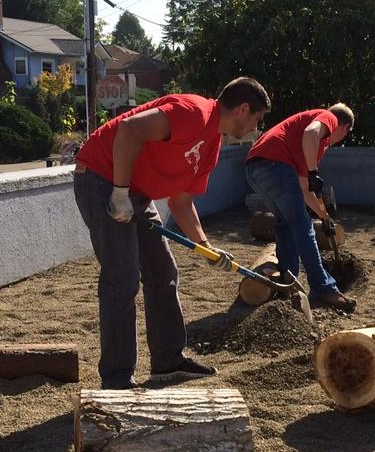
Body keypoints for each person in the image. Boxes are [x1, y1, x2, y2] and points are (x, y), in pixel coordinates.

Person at [74, 77, 271, 388]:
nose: (255, 129)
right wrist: (120, 194)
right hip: (101, 177)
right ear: (243, 109)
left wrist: (206, 247)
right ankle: (116, 378)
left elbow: (181, 202)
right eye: (257, 120)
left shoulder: (211, 147)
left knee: (163, 272)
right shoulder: (193, 112)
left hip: (135, 191)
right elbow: (129, 130)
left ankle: (168, 360)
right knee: (122, 278)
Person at [245, 103, 357, 312]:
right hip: (275, 166)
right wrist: (314, 172)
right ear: (344, 128)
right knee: (303, 226)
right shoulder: (328, 118)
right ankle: (323, 288)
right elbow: (310, 133)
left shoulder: (311, 148)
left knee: (286, 224)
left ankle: (289, 283)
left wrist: (324, 217)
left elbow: (304, 189)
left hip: (256, 169)